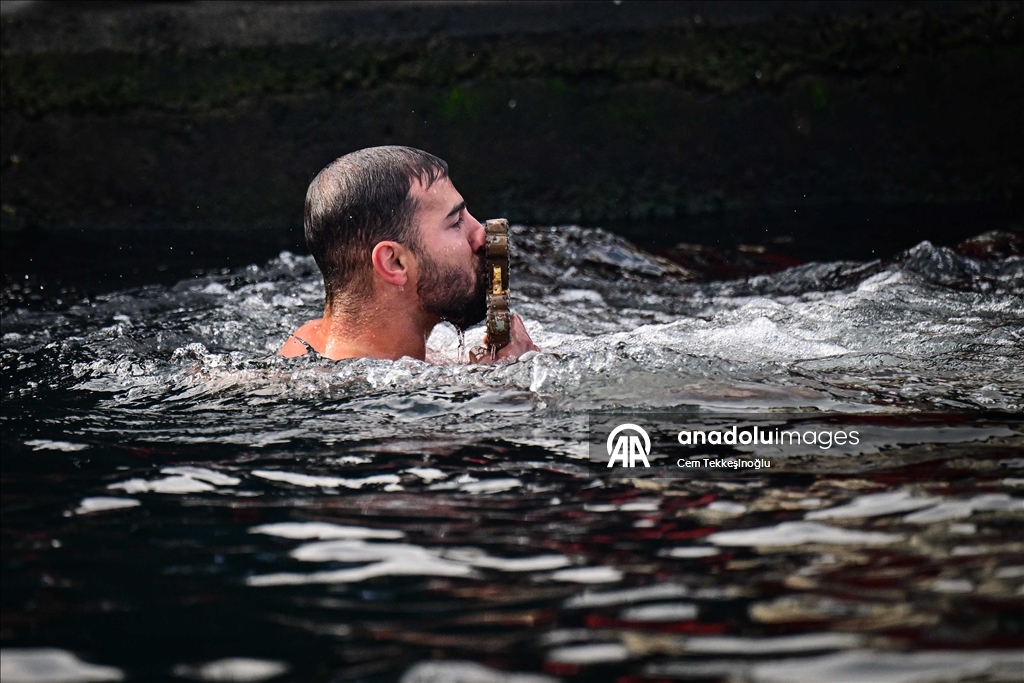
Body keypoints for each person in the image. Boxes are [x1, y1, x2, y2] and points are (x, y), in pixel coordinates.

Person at [278, 146, 539, 362]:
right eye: (456, 222)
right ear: (394, 262)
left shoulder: (311, 343)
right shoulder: (369, 402)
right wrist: (507, 390)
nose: (481, 234)